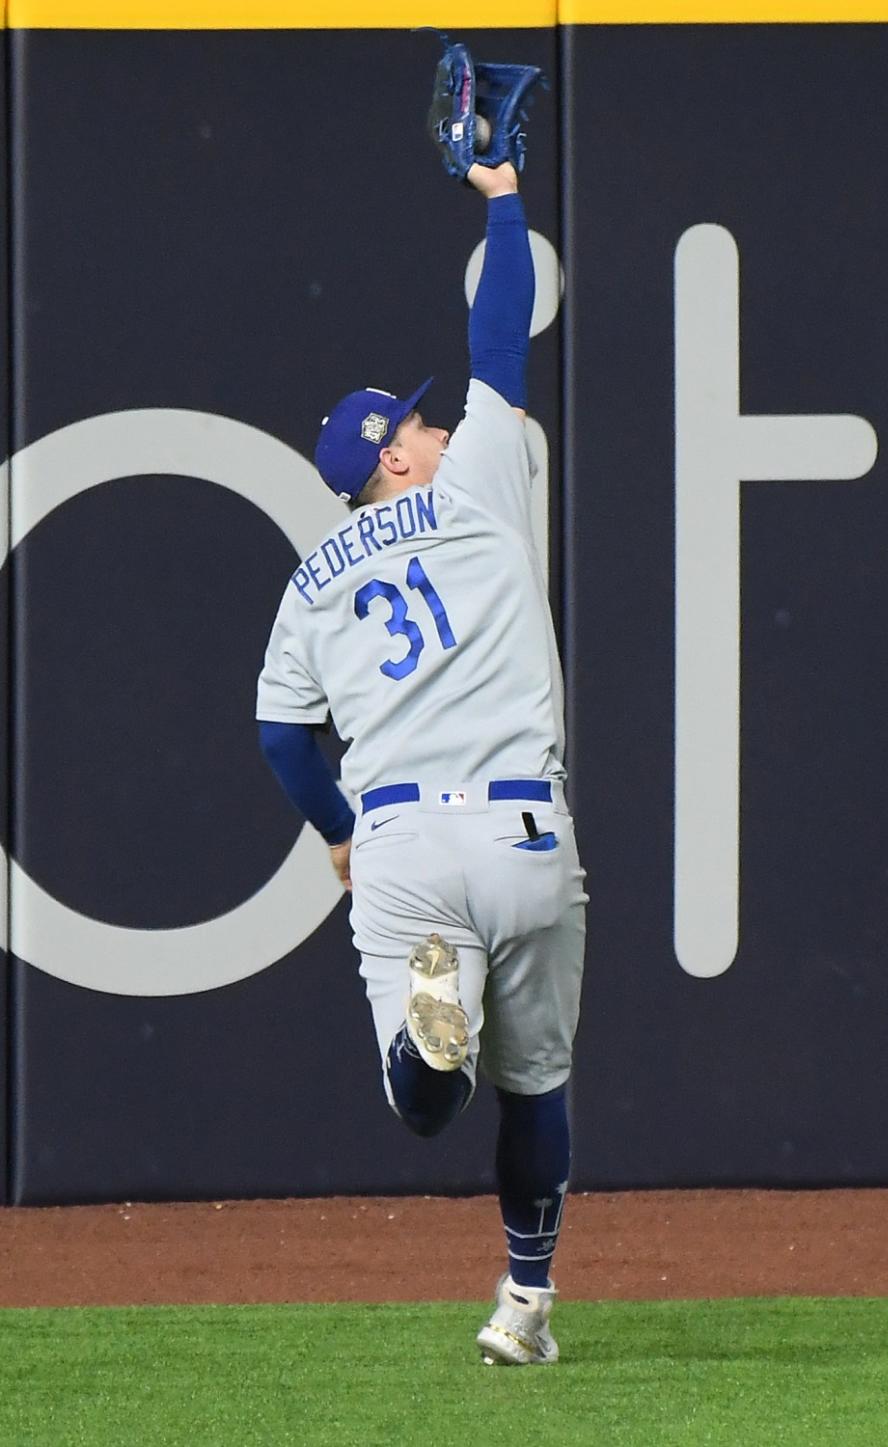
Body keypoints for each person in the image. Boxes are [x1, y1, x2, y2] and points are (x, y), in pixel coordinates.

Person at [256, 158, 587, 1366]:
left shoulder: (309, 582)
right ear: (392, 459)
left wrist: (335, 829)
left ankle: (424, 1043)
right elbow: (501, 327)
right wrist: (502, 198)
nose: (440, 424)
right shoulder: (481, 487)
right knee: (538, 1082)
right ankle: (525, 1303)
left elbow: (281, 731)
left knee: (421, 1100)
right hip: (523, 830)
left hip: (398, 839)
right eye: (417, 421)